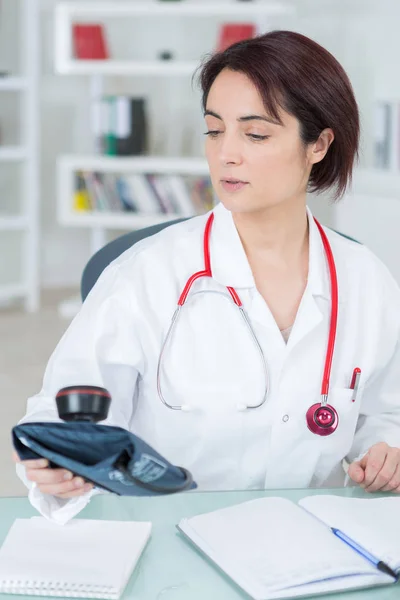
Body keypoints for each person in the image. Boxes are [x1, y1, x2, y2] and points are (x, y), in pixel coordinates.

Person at [14, 30, 400, 524]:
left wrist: (383, 451)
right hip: (169, 536)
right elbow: (62, 412)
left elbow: (383, 414)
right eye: (215, 130)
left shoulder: (366, 282)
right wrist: (53, 464)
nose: (226, 154)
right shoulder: (146, 273)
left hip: (308, 539)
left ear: (319, 144)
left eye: (255, 134)